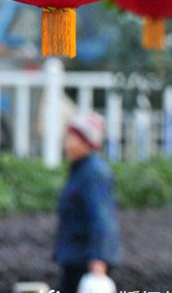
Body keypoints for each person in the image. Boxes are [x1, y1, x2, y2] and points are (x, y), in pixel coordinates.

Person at [53, 112, 120, 293]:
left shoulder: (93, 173)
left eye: (71, 138)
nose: (66, 144)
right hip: (75, 258)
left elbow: (102, 218)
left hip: (86, 261)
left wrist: (99, 259)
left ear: (85, 142)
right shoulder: (80, 170)